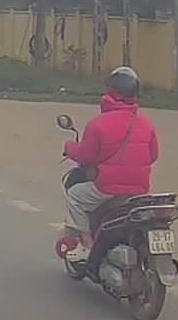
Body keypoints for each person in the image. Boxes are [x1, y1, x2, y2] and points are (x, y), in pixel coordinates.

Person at [56, 66, 159, 263]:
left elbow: (85, 156)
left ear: (111, 91)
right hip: (139, 189)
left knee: (75, 196)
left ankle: (87, 245)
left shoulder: (98, 124)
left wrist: (69, 147)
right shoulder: (146, 124)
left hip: (107, 188)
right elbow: (152, 156)